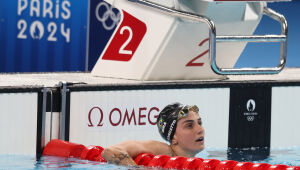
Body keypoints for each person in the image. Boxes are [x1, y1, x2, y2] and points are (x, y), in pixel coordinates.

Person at [101, 102, 205, 166]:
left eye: (199, 123)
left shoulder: (195, 161)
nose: (200, 129)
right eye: (189, 126)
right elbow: (111, 151)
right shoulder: (164, 151)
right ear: (173, 137)